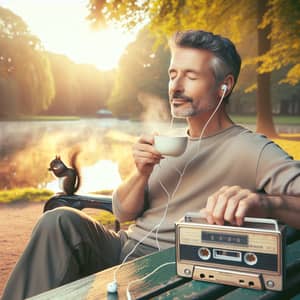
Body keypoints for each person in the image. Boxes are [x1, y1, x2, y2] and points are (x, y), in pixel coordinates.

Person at [2, 30, 300, 300]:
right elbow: (123, 212)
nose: (176, 87)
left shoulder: (252, 149)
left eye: (191, 77)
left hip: (172, 267)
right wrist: (140, 172)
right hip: (124, 250)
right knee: (59, 220)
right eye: (173, 74)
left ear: (224, 85)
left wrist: (264, 202)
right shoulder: (165, 144)